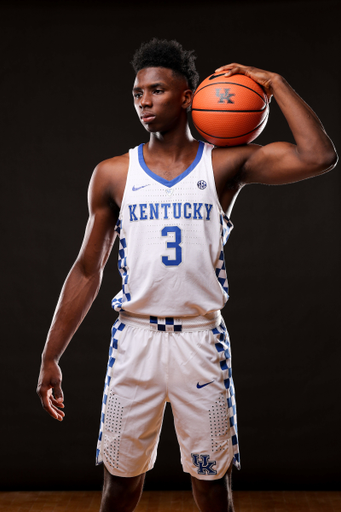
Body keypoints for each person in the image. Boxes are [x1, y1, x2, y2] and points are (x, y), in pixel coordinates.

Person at [36, 38, 337, 512]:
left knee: (213, 488)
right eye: (138, 93)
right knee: (118, 484)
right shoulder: (114, 173)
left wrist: (275, 84)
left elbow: (319, 156)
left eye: (156, 90)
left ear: (187, 96)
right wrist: (51, 355)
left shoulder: (223, 164)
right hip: (135, 342)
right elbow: (87, 269)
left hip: (200, 341)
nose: (144, 102)